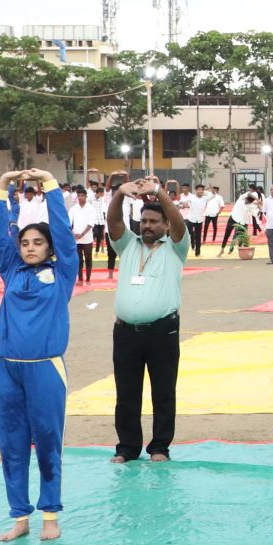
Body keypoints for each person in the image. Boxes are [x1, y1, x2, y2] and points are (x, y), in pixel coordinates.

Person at [0, 168, 74, 542]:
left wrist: (51, 185)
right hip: (6, 371)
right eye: (25, 243)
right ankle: (20, 516)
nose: (30, 247)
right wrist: (2, 187)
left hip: (45, 371)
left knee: (48, 443)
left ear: (50, 248)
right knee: (11, 445)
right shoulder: (11, 269)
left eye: (38, 242)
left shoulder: (63, 272)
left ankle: (50, 514)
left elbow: (65, 234)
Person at [106, 173, 189, 463]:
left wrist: (159, 192)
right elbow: (113, 222)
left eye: (154, 221)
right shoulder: (127, 245)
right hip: (126, 332)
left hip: (162, 332)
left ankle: (159, 447)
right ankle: (127, 448)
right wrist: (119, 194)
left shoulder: (176, 248)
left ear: (165, 225)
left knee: (163, 392)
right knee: (126, 393)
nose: (148, 226)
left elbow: (179, 223)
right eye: (144, 221)